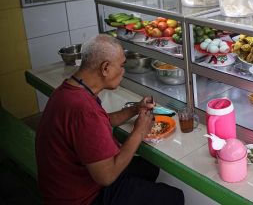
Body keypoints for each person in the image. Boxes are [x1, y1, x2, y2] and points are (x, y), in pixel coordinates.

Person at [35, 35, 184, 205]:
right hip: (84, 198)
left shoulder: (69, 90)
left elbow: (103, 121)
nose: (123, 71)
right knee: (174, 197)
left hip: (63, 186)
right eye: (121, 65)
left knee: (148, 167)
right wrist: (140, 131)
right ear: (105, 68)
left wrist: (135, 109)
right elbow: (107, 176)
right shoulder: (85, 111)